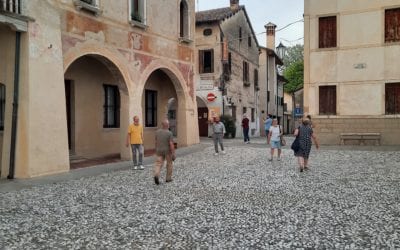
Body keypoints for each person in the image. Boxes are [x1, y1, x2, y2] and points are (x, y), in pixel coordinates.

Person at [153, 119, 176, 185]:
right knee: (169, 164)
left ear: (162, 125)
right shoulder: (169, 133)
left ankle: (156, 175)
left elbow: (156, 142)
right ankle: (168, 178)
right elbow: (171, 144)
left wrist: (156, 149)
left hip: (159, 150)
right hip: (167, 151)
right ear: (168, 125)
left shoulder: (157, 132)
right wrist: (173, 153)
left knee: (158, 164)